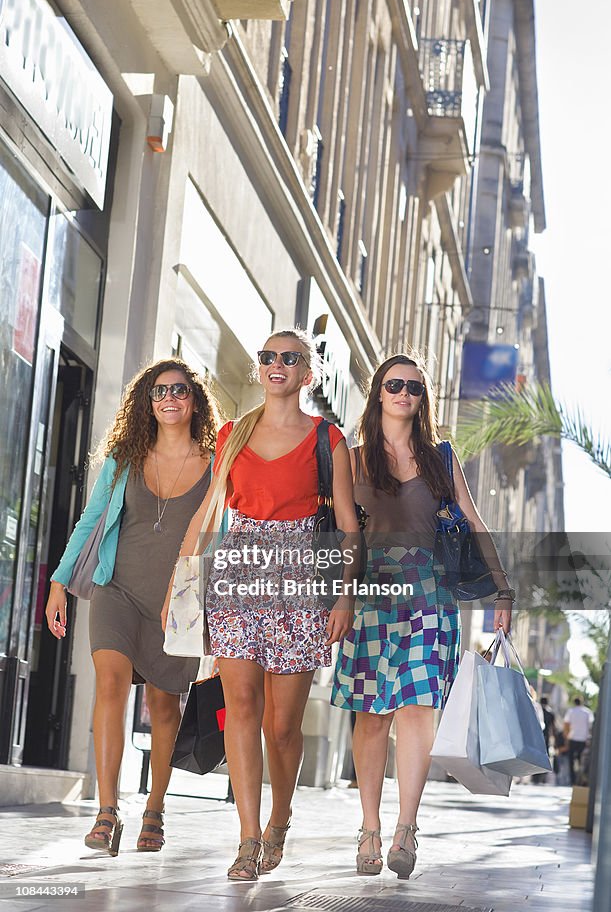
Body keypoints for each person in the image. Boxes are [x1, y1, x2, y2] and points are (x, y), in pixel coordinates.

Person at [164, 328, 360, 881]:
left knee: (282, 726)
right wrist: (178, 590)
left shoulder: (328, 437)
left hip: (301, 583)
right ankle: (248, 838)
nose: (276, 365)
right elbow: (207, 514)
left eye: (289, 358)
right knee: (242, 706)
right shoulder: (232, 432)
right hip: (236, 578)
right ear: (260, 368)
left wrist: (344, 595)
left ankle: (280, 818)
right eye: (268, 357)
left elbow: (347, 525)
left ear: (306, 374)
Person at [331, 353, 513, 879]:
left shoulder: (441, 458)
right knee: (370, 714)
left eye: (413, 385)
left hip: (430, 595)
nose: (403, 392)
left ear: (422, 396)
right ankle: (369, 828)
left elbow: (475, 523)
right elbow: (343, 533)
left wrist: (503, 590)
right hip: (370, 592)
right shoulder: (355, 456)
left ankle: (406, 828)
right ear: (378, 392)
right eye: (394, 384)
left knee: (417, 708)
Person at [46, 359, 219, 855]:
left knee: (165, 706)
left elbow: (219, 537)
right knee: (110, 686)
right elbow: (90, 520)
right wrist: (59, 582)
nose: (168, 399)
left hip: (177, 605)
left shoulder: (214, 467)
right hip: (115, 590)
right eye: (158, 391)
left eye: (179, 391)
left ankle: (155, 810)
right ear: (147, 401)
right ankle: (107, 812)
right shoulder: (125, 459)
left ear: (194, 400)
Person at [564, 696, 593, 785]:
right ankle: (580, 780)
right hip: (583, 739)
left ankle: (572, 780)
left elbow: (566, 724)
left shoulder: (571, 711)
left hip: (572, 738)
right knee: (582, 761)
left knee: (571, 760)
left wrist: (566, 737)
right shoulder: (587, 712)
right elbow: (590, 726)